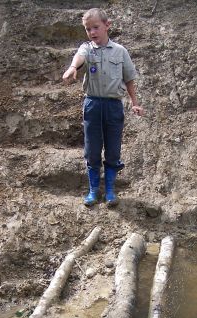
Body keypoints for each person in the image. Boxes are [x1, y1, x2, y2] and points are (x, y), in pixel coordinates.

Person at [62, 8, 145, 207]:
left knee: (113, 149)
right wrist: (73, 68)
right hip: (93, 105)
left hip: (113, 106)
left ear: (107, 26)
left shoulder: (120, 51)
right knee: (92, 149)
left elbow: (129, 79)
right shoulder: (87, 49)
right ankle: (92, 191)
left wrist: (135, 103)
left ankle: (109, 191)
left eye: (96, 27)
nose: (92, 32)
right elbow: (79, 57)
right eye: (88, 29)